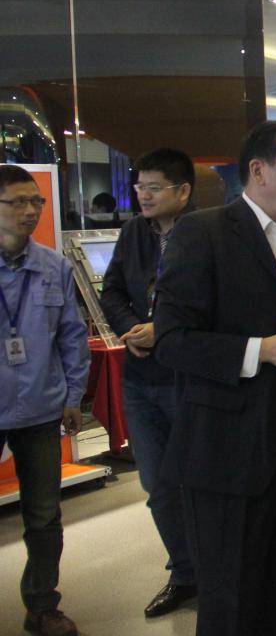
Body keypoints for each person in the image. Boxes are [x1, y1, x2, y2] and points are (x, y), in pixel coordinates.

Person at [153, 122, 276, 636]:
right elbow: (171, 340)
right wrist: (262, 351)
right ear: (257, 171)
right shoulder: (204, 234)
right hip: (224, 452)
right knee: (231, 602)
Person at [100, 148, 199, 618]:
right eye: (139, 186)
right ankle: (185, 573)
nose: (143, 195)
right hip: (140, 378)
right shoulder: (133, 233)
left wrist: (165, 330)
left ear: (183, 191)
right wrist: (130, 329)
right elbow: (113, 291)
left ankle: (216, 567)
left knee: (198, 479)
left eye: (153, 187)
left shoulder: (208, 233)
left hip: (188, 378)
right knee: (157, 483)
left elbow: (216, 303)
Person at [0, 166, 91, 636]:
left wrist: (73, 395)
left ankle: (41, 605)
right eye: (17, 202)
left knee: (43, 516)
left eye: (34, 201)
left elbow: (72, 336)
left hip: (40, 406)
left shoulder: (54, 266)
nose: (31, 211)